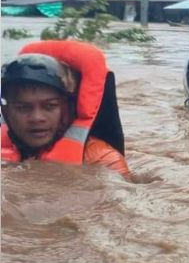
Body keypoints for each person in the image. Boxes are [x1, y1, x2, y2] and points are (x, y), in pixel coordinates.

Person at [1, 40, 131, 180]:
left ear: (67, 108)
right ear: (6, 111)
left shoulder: (103, 160)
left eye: (50, 106)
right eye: (23, 108)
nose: (37, 117)